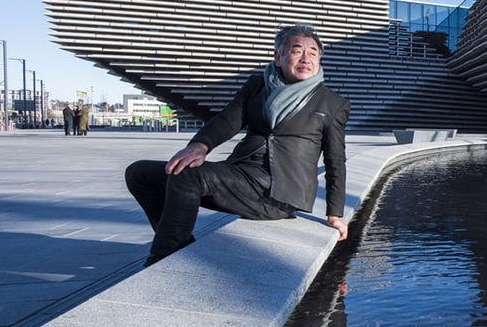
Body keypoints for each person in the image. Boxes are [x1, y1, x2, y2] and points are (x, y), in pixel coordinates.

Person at [125, 24, 351, 266]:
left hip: (278, 192)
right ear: (278, 56)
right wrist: (200, 145)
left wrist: (335, 214)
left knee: (188, 176)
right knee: (140, 173)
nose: (306, 58)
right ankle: (178, 245)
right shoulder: (258, 85)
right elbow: (228, 119)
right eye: (297, 50)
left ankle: (164, 258)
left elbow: (334, 160)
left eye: (313, 52)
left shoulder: (332, 103)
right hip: (242, 175)